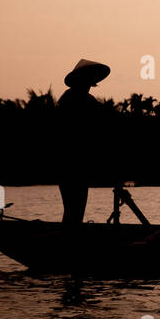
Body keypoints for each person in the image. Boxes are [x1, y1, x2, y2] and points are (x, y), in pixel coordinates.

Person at [56, 58, 111, 224]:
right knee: (74, 208)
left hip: (75, 163)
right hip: (71, 163)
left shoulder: (79, 99)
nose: (90, 83)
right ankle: (70, 239)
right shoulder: (75, 99)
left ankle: (71, 237)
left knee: (74, 209)